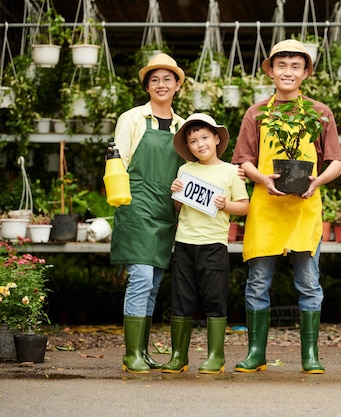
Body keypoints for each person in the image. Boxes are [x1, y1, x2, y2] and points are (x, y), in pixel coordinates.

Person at [231, 39, 341, 374]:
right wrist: (262, 178)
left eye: (296, 66)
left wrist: (317, 181)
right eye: (282, 65)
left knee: (309, 283)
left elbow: (336, 161)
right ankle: (256, 353)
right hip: (266, 206)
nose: (288, 72)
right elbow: (243, 160)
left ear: (306, 73)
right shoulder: (257, 113)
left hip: (304, 208)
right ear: (271, 71)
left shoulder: (319, 112)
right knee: (257, 283)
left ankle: (310, 355)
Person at [110, 53, 186, 374]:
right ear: (146, 86)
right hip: (137, 206)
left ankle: (141, 350)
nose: (161, 84)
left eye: (167, 79)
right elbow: (118, 164)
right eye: (154, 79)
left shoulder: (184, 126)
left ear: (177, 85)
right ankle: (131, 354)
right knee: (140, 279)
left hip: (166, 212)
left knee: (153, 283)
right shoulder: (132, 119)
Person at [163, 113, 249, 374]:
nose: (200, 144)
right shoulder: (185, 170)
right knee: (181, 299)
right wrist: (175, 191)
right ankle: (179, 355)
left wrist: (226, 205)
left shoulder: (231, 171)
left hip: (214, 245)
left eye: (204, 137)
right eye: (193, 141)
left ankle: (216, 356)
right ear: (187, 147)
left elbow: (245, 207)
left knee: (215, 298)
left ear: (216, 138)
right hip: (185, 243)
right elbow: (179, 207)